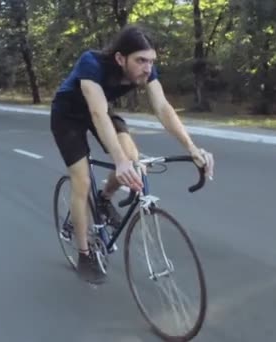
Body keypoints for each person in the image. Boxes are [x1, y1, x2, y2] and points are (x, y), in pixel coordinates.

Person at [50, 25, 215, 283]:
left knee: (134, 161)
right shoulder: (91, 63)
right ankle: (84, 254)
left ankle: (104, 199)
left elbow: (163, 108)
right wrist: (119, 160)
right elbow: (97, 113)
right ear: (120, 58)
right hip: (69, 116)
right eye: (141, 61)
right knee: (82, 181)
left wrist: (192, 148)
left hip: (102, 112)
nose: (147, 68)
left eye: (151, 61)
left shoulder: (145, 71)